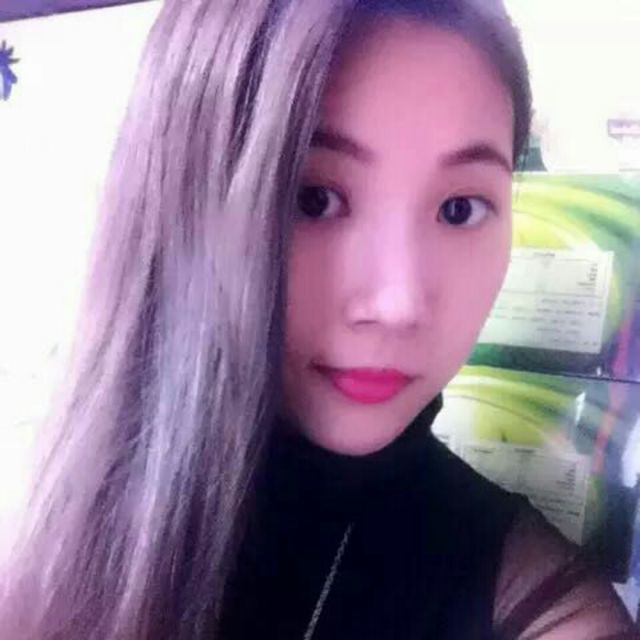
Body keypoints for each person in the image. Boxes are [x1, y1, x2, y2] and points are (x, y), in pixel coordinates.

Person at [0, 0, 638, 638]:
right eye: (315, 199)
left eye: (460, 209)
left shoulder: (542, 610)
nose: (398, 304)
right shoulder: (31, 513)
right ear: (181, 203)